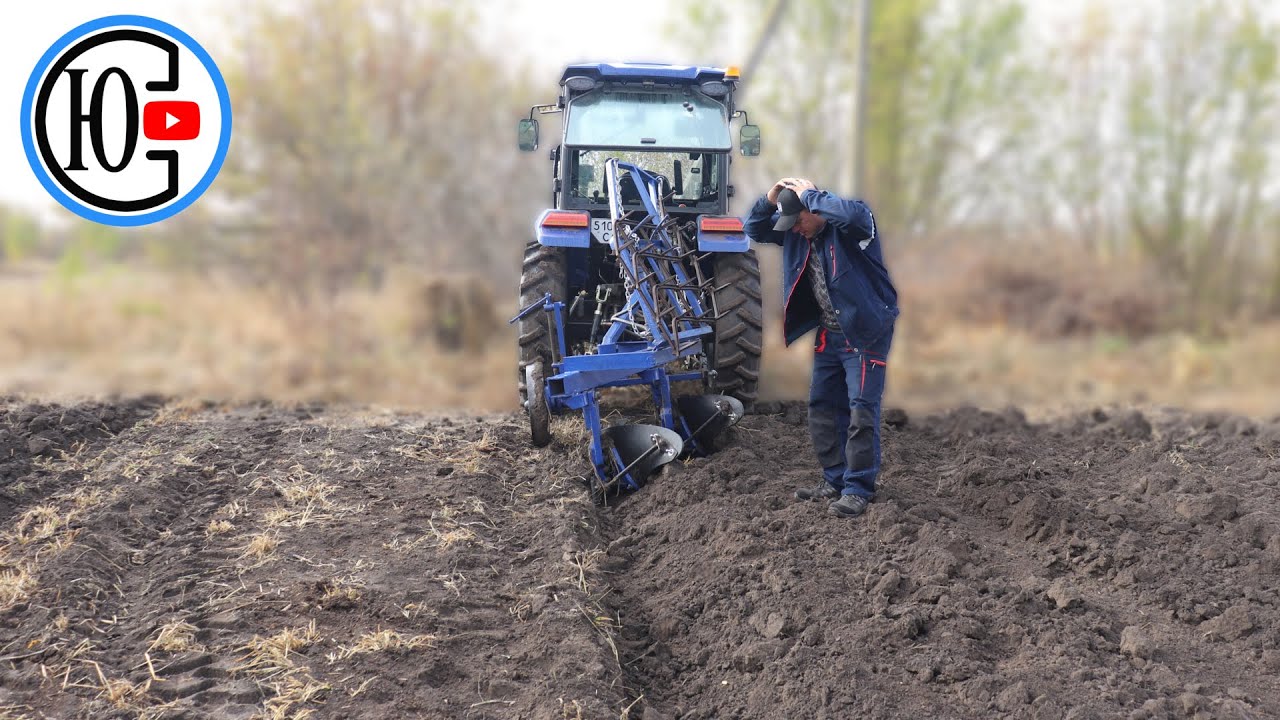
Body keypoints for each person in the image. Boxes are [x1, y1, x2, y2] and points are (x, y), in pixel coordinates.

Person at [743, 178, 899, 519]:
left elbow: (851, 215)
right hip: (830, 333)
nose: (795, 230)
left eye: (799, 220)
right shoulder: (796, 232)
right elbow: (752, 228)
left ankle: (858, 488)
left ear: (814, 208)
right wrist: (770, 201)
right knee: (822, 407)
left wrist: (810, 195)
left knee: (861, 409)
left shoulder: (853, 227)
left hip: (865, 331)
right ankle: (834, 479)